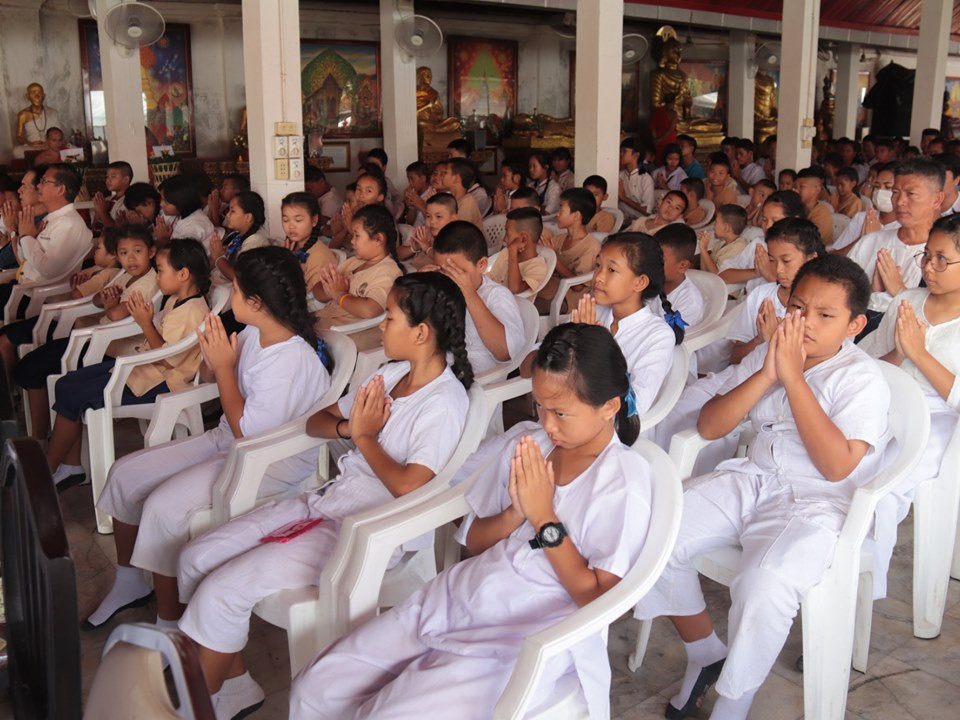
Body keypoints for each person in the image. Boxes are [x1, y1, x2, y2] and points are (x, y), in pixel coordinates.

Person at [290, 322, 650, 720]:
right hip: (463, 596)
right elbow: (475, 542)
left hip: (522, 634)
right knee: (317, 686)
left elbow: (597, 599)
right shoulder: (531, 444)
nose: (548, 424)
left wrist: (544, 517)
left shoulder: (623, 481)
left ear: (609, 407)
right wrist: (516, 512)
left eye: (561, 412)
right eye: (540, 407)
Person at [176, 272, 473, 719]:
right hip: (329, 502)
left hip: (367, 533)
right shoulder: (391, 374)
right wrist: (350, 429)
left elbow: (410, 486)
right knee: (196, 557)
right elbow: (320, 420)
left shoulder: (444, 401)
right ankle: (233, 683)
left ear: (421, 332)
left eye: (389, 318)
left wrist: (365, 438)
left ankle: (198, 706)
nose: (381, 326)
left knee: (222, 589)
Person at [635, 255, 891, 720]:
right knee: (652, 533)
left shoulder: (862, 378)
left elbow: (836, 467)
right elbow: (711, 427)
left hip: (816, 501)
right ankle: (705, 652)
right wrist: (770, 372)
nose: (805, 323)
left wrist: (792, 379)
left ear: (855, 324)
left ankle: (734, 703)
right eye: (798, 308)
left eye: (825, 315)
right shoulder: (773, 352)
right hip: (752, 478)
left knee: (765, 584)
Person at [88, 245, 331, 630]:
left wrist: (223, 368)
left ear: (256, 301)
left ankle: (170, 625)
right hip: (232, 442)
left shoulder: (289, 360)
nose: (227, 296)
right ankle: (130, 582)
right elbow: (225, 401)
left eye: (234, 290)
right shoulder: (256, 332)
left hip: (268, 461)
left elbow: (246, 432)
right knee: (124, 474)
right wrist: (212, 361)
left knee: (163, 508)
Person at [44, 238, 211, 490]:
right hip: (142, 369)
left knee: (71, 392)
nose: (157, 278)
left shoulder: (192, 310)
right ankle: (69, 465)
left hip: (158, 381)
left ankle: (48, 469)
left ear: (183, 274)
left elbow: (167, 357)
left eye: (162, 271)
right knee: (68, 383)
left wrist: (145, 323)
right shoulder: (175, 300)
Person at [859, 214, 960, 597]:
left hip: (939, 422)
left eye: (941, 260)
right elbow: (865, 367)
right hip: (887, 402)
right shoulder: (907, 301)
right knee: (841, 465)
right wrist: (900, 355)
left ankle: (863, 590)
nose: (928, 268)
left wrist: (919, 353)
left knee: (881, 490)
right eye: (926, 257)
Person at [567, 233, 683, 419]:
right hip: (566, 418)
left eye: (611, 270)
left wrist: (590, 346)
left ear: (640, 282)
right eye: (598, 266)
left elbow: (632, 408)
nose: (599, 277)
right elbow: (532, 364)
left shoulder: (658, 336)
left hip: (609, 435)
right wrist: (569, 340)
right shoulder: (592, 311)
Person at [0, 228, 121, 395]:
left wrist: (77, 287)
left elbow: (77, 294)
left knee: (10, 344)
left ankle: (12, 392)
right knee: (7, 335)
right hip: (66, 318)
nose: (95, 250)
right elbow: (77, 285)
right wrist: (77, 283)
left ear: (114, 254)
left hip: (70, 323)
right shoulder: (97, 269)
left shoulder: (107, 274)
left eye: (99, 247)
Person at [848, 160, 944, 337]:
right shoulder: (870, 242)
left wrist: (900, 291)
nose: (900, 202)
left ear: (937, 199)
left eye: (911, 194)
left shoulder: (948, 255)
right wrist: (872, 292)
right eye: (895, 192)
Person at [431, 221, 526, 374]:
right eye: (443, 271)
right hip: (444, 373)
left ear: (481, 265)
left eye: (457, 271)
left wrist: (469, 293)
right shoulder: (441, 291)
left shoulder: (497, 296)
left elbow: (505, 352)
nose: (448, 278)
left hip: (480, 383)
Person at [0, 163, 91, 313]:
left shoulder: (68, 224)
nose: (39, 187)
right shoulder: (51, 219)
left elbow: (48, 270)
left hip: (39, 299)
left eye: (44, 182)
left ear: (60, 189)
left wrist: (27, 236)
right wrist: (21, 235)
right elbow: (24, 260)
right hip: (25, 290)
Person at [313, 204, 403, 335]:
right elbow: (317, 294)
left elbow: (370, 310)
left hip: (343, 335)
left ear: (378, 239)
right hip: (322, 322)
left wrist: (339, 295)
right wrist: (329, 288)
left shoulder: (388, 272)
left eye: (356, 236)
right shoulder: (354, 262)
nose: (352, 242)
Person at [536, 188, 601, 313]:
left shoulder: (591, 246)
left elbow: (577, 286)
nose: (557, 214)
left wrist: (553, 257)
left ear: (576, 216)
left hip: (565, 299)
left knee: (525, 308)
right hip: (547, 289)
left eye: (561, 209)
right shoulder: (559, 239)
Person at [279, 192, 337, 309]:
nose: (291, 226)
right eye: (285, 220)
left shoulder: (320, 256)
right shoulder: (289, 248)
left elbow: (311, 300)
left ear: (314, 220)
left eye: (298, 220)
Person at [832, 163, 899, 256]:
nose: (880, 191)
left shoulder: (903, 227)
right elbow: (835, 256)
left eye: (888, 187)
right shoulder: (861, 218)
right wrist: (863, 239)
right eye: (877, 186)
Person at [653, 223, 706, 329]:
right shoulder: (649, 281)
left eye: (660, 260)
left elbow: (666, 341)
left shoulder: (690, 304)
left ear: (682, 266)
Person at [488, 207, 548, 296]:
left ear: (523, 239)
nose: (504, 239)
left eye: (508, 234)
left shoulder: (537, 266)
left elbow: (515, 288)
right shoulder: (506, 253)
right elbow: (489, 277)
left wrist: (513, 251)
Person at [153, 175, 216, 253]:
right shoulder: (184, 216)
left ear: (180, 201)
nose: (161, 204)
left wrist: (163, 240)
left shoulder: (193, 226)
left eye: (166, 201)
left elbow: (183, 258)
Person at [697, 204, 757, 284]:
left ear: (726, 228)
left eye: (716, 222)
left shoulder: (739, 246)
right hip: (709, 284)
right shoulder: (721, 243)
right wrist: (702, 248)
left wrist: (704, 250)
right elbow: (704, 271)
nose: (714, 226)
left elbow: (718, 275)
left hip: (726, 292)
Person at [329, 173, 387, 252]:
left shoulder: (382, 219)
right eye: (359, 189)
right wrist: (343, 230)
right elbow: (332, 247)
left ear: (380, 197)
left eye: (368, 191)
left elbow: (371, 251)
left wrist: (350, 227)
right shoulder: (357, 216)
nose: (361, 195)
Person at [401, 192, 458, 268]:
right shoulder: (427, 233)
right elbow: (397, 255)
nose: (432, 221)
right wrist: (413, 248)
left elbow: (446, 262)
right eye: (428, 216)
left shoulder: (458, 239)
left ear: (453, 219)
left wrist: (427, 248)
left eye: (439, 216)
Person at [795, 166, 834, 246]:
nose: (795, 190)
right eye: (795, 187)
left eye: (801, 186)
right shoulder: (796, 207)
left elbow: (810, 242)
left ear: (816, 190)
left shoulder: (822, 214)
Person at [618, 138, 655, 220]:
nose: (620, 154)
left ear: (636, 155)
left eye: (624, 151)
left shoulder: (646, 179)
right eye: (620, 151)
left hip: (639, 222)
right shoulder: (619, 175)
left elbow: (647, 210)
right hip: (621, 220)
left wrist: (623, 198)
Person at [365, 148, 405, 220]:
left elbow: (398, 197)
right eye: (369, 164)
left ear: (384, 168)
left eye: (375, 165)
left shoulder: (387, 182)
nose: (372, 168)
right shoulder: (362, 181)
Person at [92, 161, 134, 229]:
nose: (108, 180)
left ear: (126, 179)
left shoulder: (129, 201)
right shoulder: (107, 199)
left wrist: (102, 211)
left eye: (113, 177)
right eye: (107, 177)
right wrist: (98, 212)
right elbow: (94, 226)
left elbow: (115, 229)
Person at [528, 151, 561, 216]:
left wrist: (534, 207)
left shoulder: (554, 187)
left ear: (545, 167)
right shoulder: (530, 185)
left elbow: (547, 211)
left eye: (534, 166)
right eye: (530, 166)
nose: (531, 169)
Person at [402, 161, 431, 227]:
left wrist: (420, 204)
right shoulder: (414, 194)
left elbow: (432, 223)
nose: (410, 183)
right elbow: (410, 223)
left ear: (423, 178)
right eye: (408, 179)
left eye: (412, 179)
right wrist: (411, 207)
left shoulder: (432, 194)